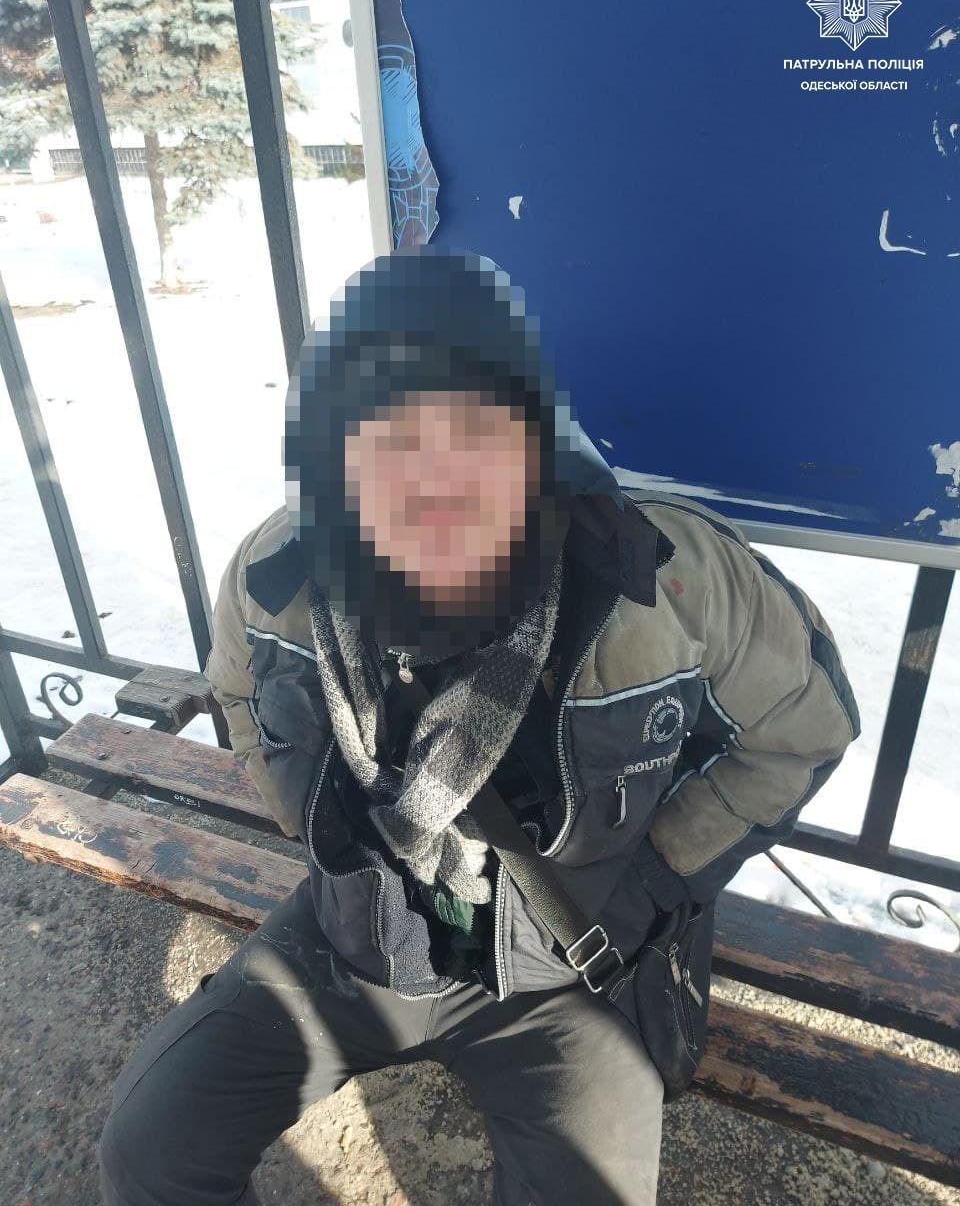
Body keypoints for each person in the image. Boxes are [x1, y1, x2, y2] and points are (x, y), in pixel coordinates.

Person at [97, 247, 861, 1206]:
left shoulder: (673, 579)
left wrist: (660, 875)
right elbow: (241, 698)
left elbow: (803, 730)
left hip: (562, 977)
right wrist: (309, 825)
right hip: (353, 942)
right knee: (152, 1150)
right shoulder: (278, 571)